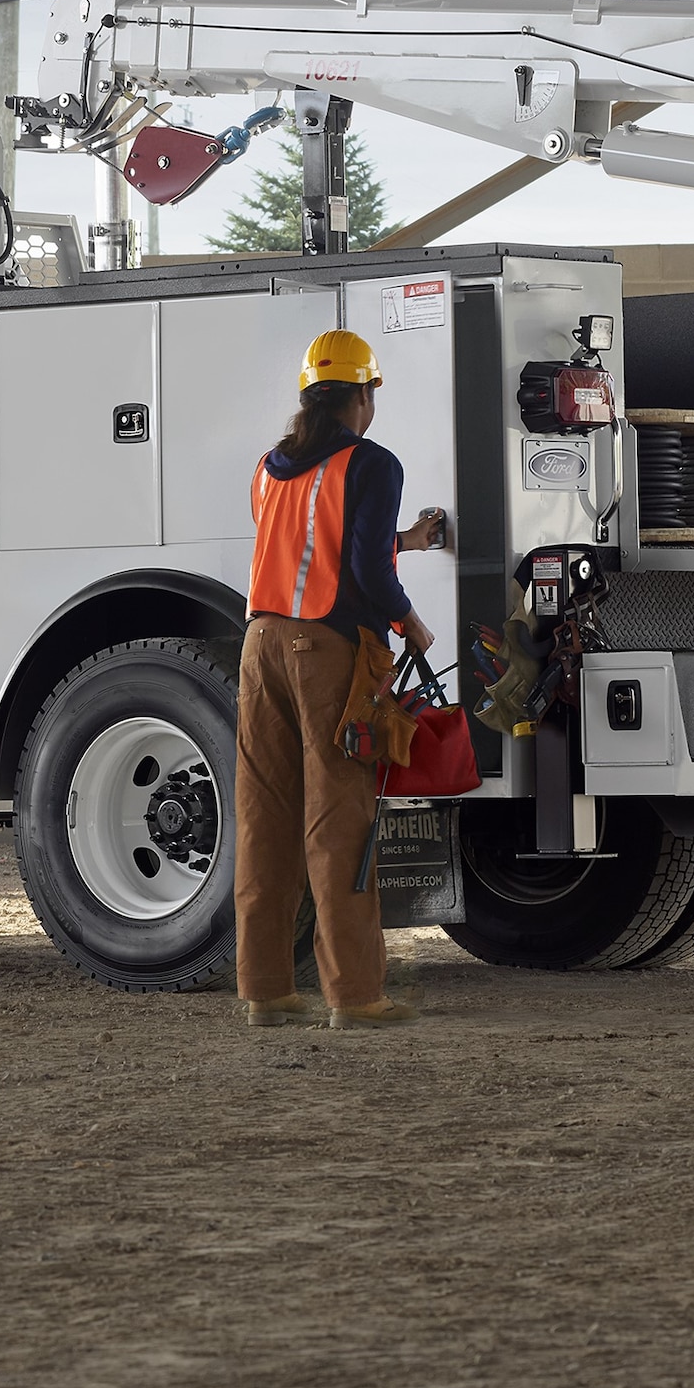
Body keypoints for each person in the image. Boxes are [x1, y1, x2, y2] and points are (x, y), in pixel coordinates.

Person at [241, 328, 452, 1030]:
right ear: (364, 395)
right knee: (340, 823)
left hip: (260, 647)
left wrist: (408, 540)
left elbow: (314, 543)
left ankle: (266, 990)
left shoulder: (269, 467)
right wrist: (412, 624)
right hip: (325, 653)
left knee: (264, 819)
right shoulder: (373, 462)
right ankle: (356, 996)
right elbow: (362, 570)